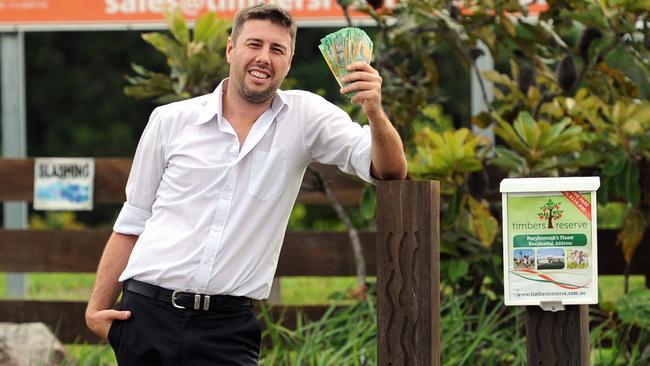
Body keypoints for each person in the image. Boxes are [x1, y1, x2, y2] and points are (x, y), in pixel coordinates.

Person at [85, 3, 407, 365]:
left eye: (277, 49)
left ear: (289, 61)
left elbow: (390, 170)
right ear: (230, 49)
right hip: (147, 314)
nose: (264, 58)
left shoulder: (305, 118)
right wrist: (96, 308)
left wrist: (375, 112)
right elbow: (134, 217)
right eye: (254, 44)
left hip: (228, 327)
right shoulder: (169, 121)